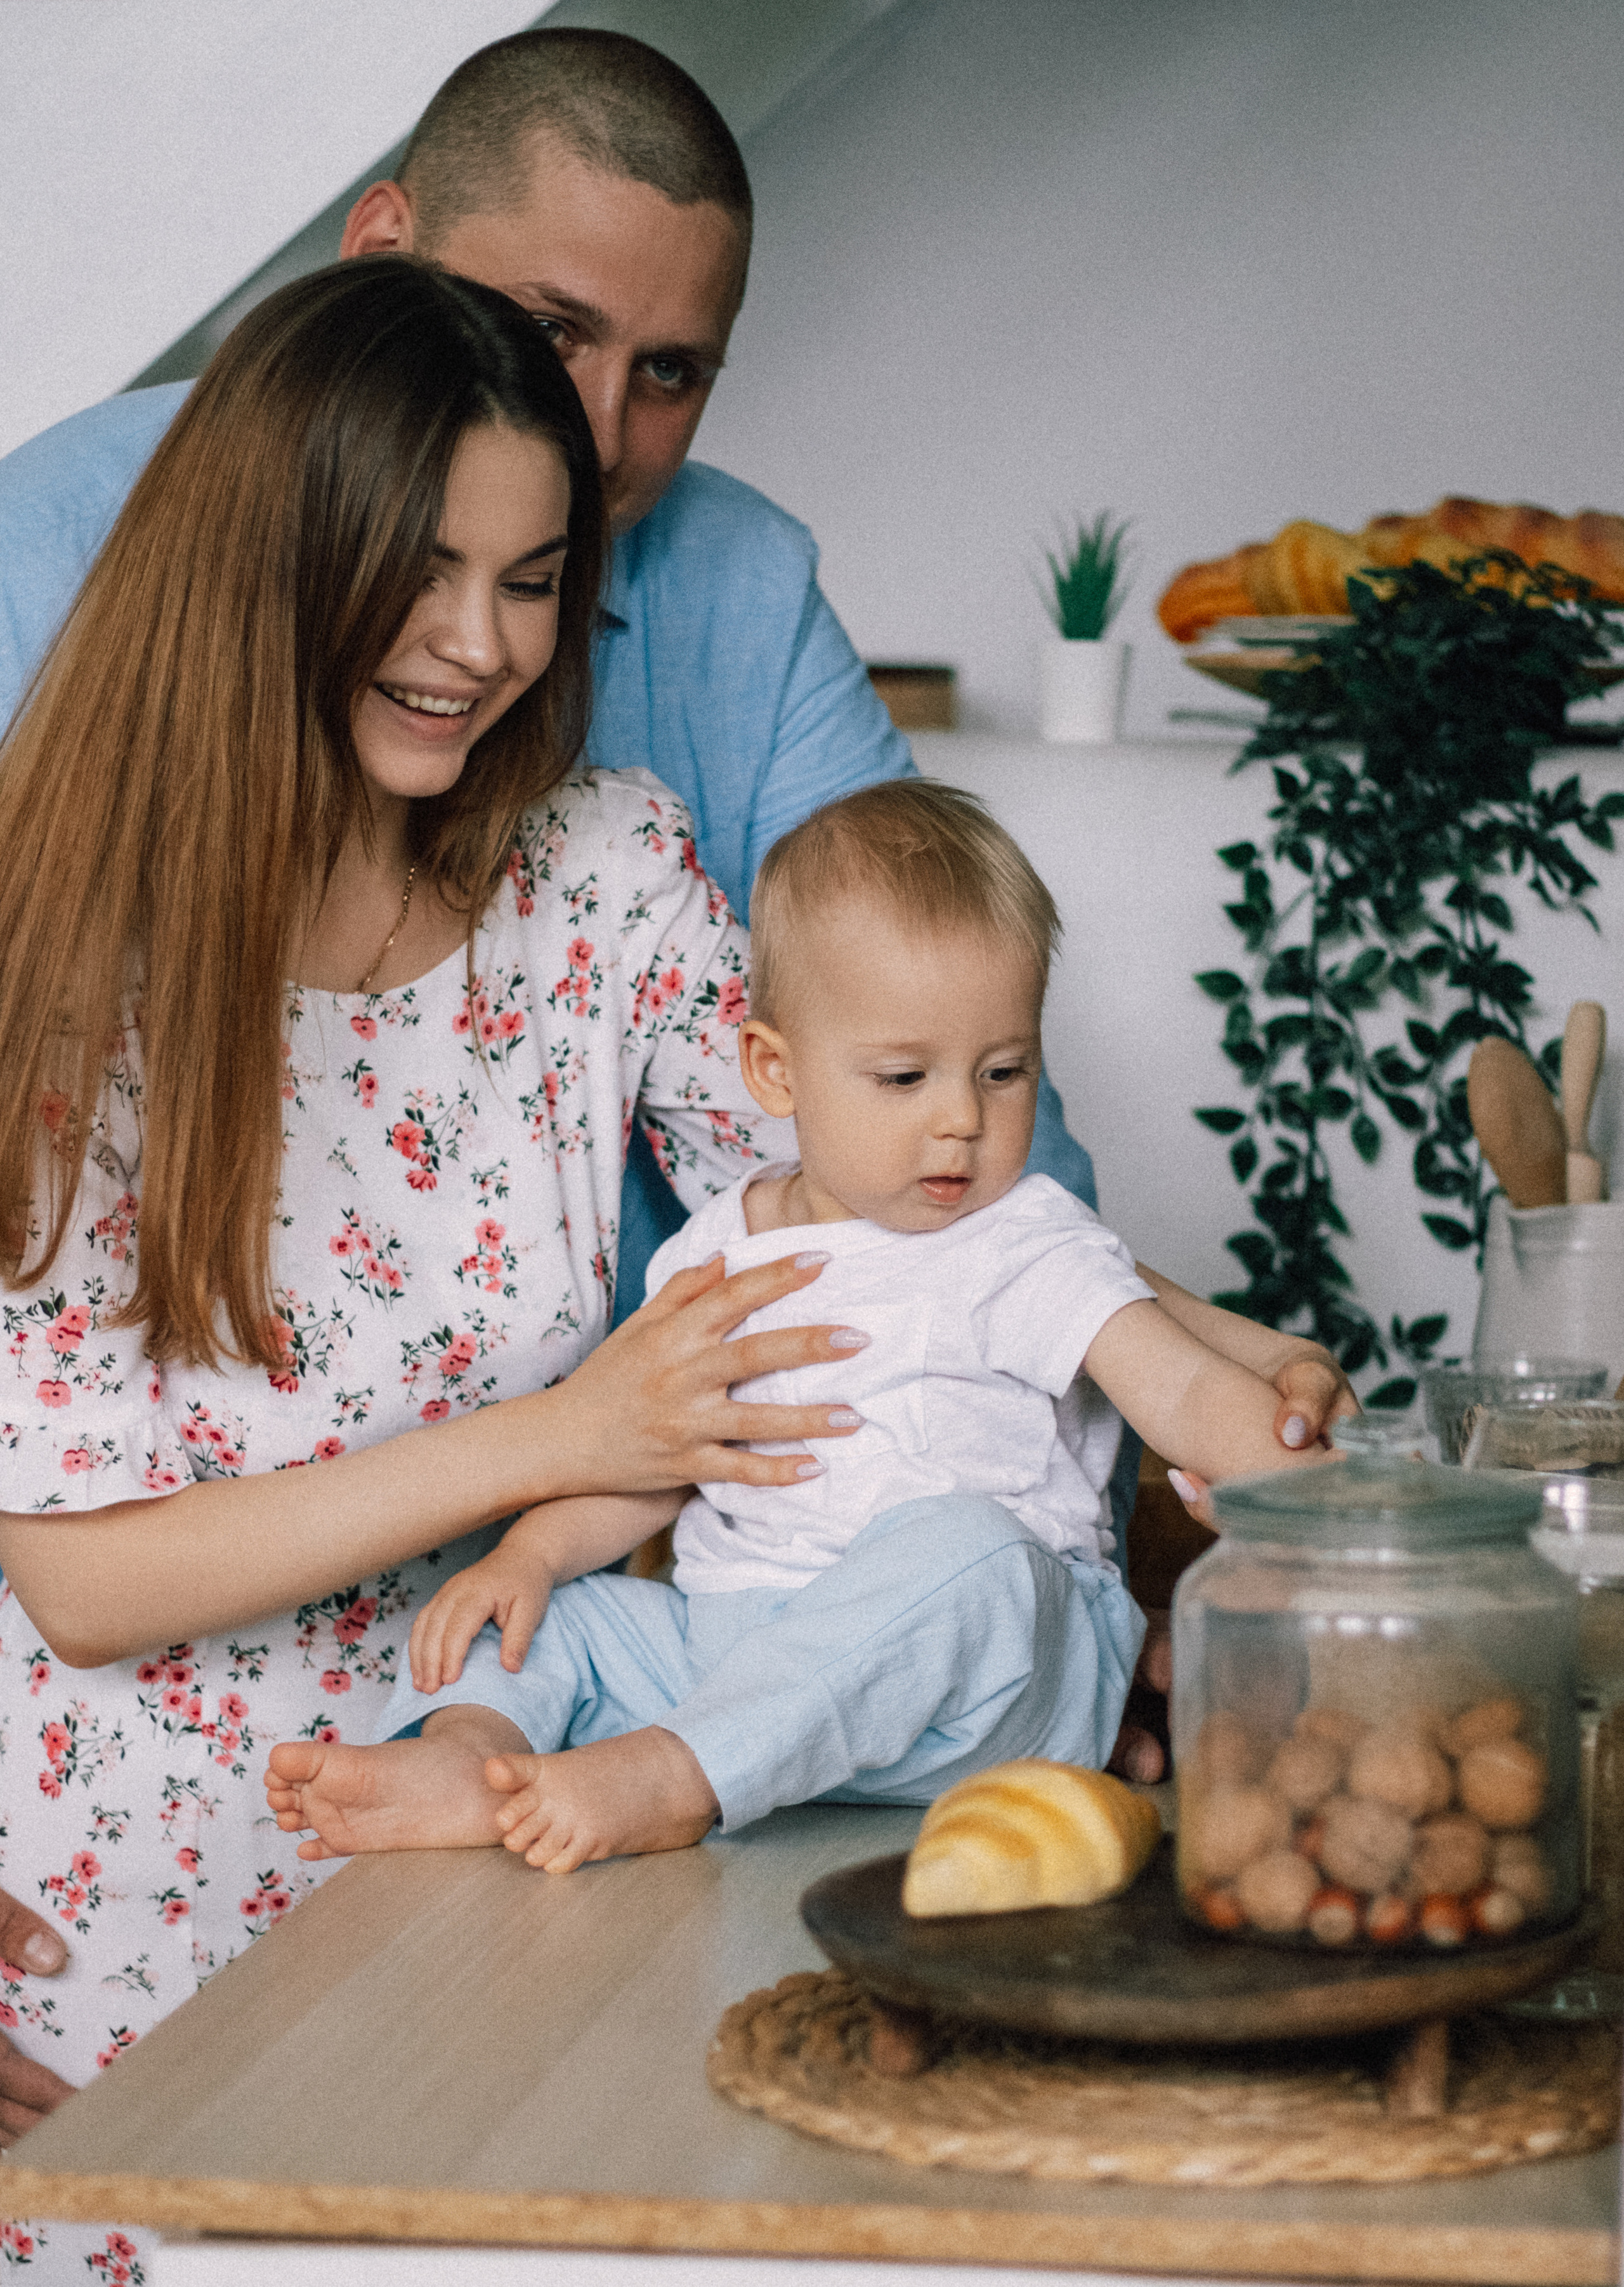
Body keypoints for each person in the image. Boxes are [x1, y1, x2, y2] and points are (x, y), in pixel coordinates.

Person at [0, 256, 872, 2279]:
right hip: (99, 1938)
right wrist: (566, 1435)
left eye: (537, 576)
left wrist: (1154, 1348)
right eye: (424, 567)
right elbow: (85, 1569)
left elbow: (821, 1277)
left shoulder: (606, 875)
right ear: (270, 554)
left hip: (482, 1860)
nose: (479, 645)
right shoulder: (60, 961)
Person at [265, 782, 1330, 1875]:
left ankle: (681, 1777)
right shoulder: (718, 1254)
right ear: (777, 1071)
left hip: (987, 1686)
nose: (962, 1116)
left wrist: (1292, 1477)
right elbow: (658, 1459)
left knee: (971, 1554)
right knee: (540, 1615)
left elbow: (1184, 1391)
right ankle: (472, 1755)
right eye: (906, 1077)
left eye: (1004, 1071)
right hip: (741, 1648)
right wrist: (533, 1556)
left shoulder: (1024, 1241)